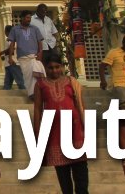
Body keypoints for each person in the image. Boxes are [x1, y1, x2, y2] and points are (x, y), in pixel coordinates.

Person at [35, 51, 89, 194]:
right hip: (55, 137)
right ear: (45, 68)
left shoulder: (71, 82)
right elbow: (37, 111)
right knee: (66, 186)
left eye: (57, 67)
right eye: (51, 68)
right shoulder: (41, 85)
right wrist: (37, 137)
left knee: (82, 183)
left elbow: (81, 106)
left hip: (76, 134)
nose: (54, 70)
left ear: (62, 67)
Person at [6, 10, 43, 99]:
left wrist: (40, 52)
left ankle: (36, 93)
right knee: (27, 76)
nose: (29, 19)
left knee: (37, 74)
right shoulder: (15, 29)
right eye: (27, 17)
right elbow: (12, 44)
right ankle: (31, 94)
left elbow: (40, 42)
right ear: (22, 18)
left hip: (34, 56)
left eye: (30, 18)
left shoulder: (35, 29)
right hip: (22, 57)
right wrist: (10, 58)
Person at [100, 34, 125, 103]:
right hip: (120, 84)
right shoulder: (114, 52)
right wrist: (103, 81)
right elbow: (102, 66)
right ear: (123, 43)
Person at [0, 24, 25, 91]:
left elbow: (12, 49)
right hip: (8, 64)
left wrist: (2, 52)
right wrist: (3, 56)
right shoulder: (8, 40)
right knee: (7, 83)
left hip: (14, 63)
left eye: (5, 31)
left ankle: (25, 93)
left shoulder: (13, 39)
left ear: (8, 32)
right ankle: (5, 97)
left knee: (20, 81)